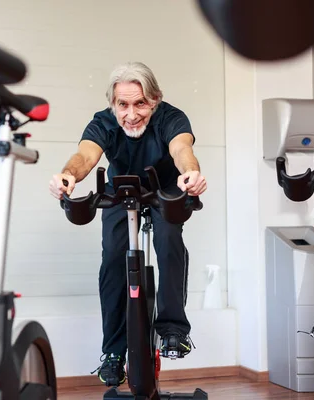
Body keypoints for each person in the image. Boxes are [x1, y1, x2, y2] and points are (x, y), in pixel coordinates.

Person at [48, 62, 207, 387]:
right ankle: (114, 352)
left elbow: (181, 149)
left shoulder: (171, 118)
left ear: (155, 99)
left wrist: (190, 172)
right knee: (113, 258)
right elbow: (86, 156)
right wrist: (68, 175)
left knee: (168, 239)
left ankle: (174, 331)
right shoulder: (104, 122)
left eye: (140, 103)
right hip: (120, 190)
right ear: (113, 103)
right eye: (123, 104)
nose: (131, 114)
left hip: (165, 188)